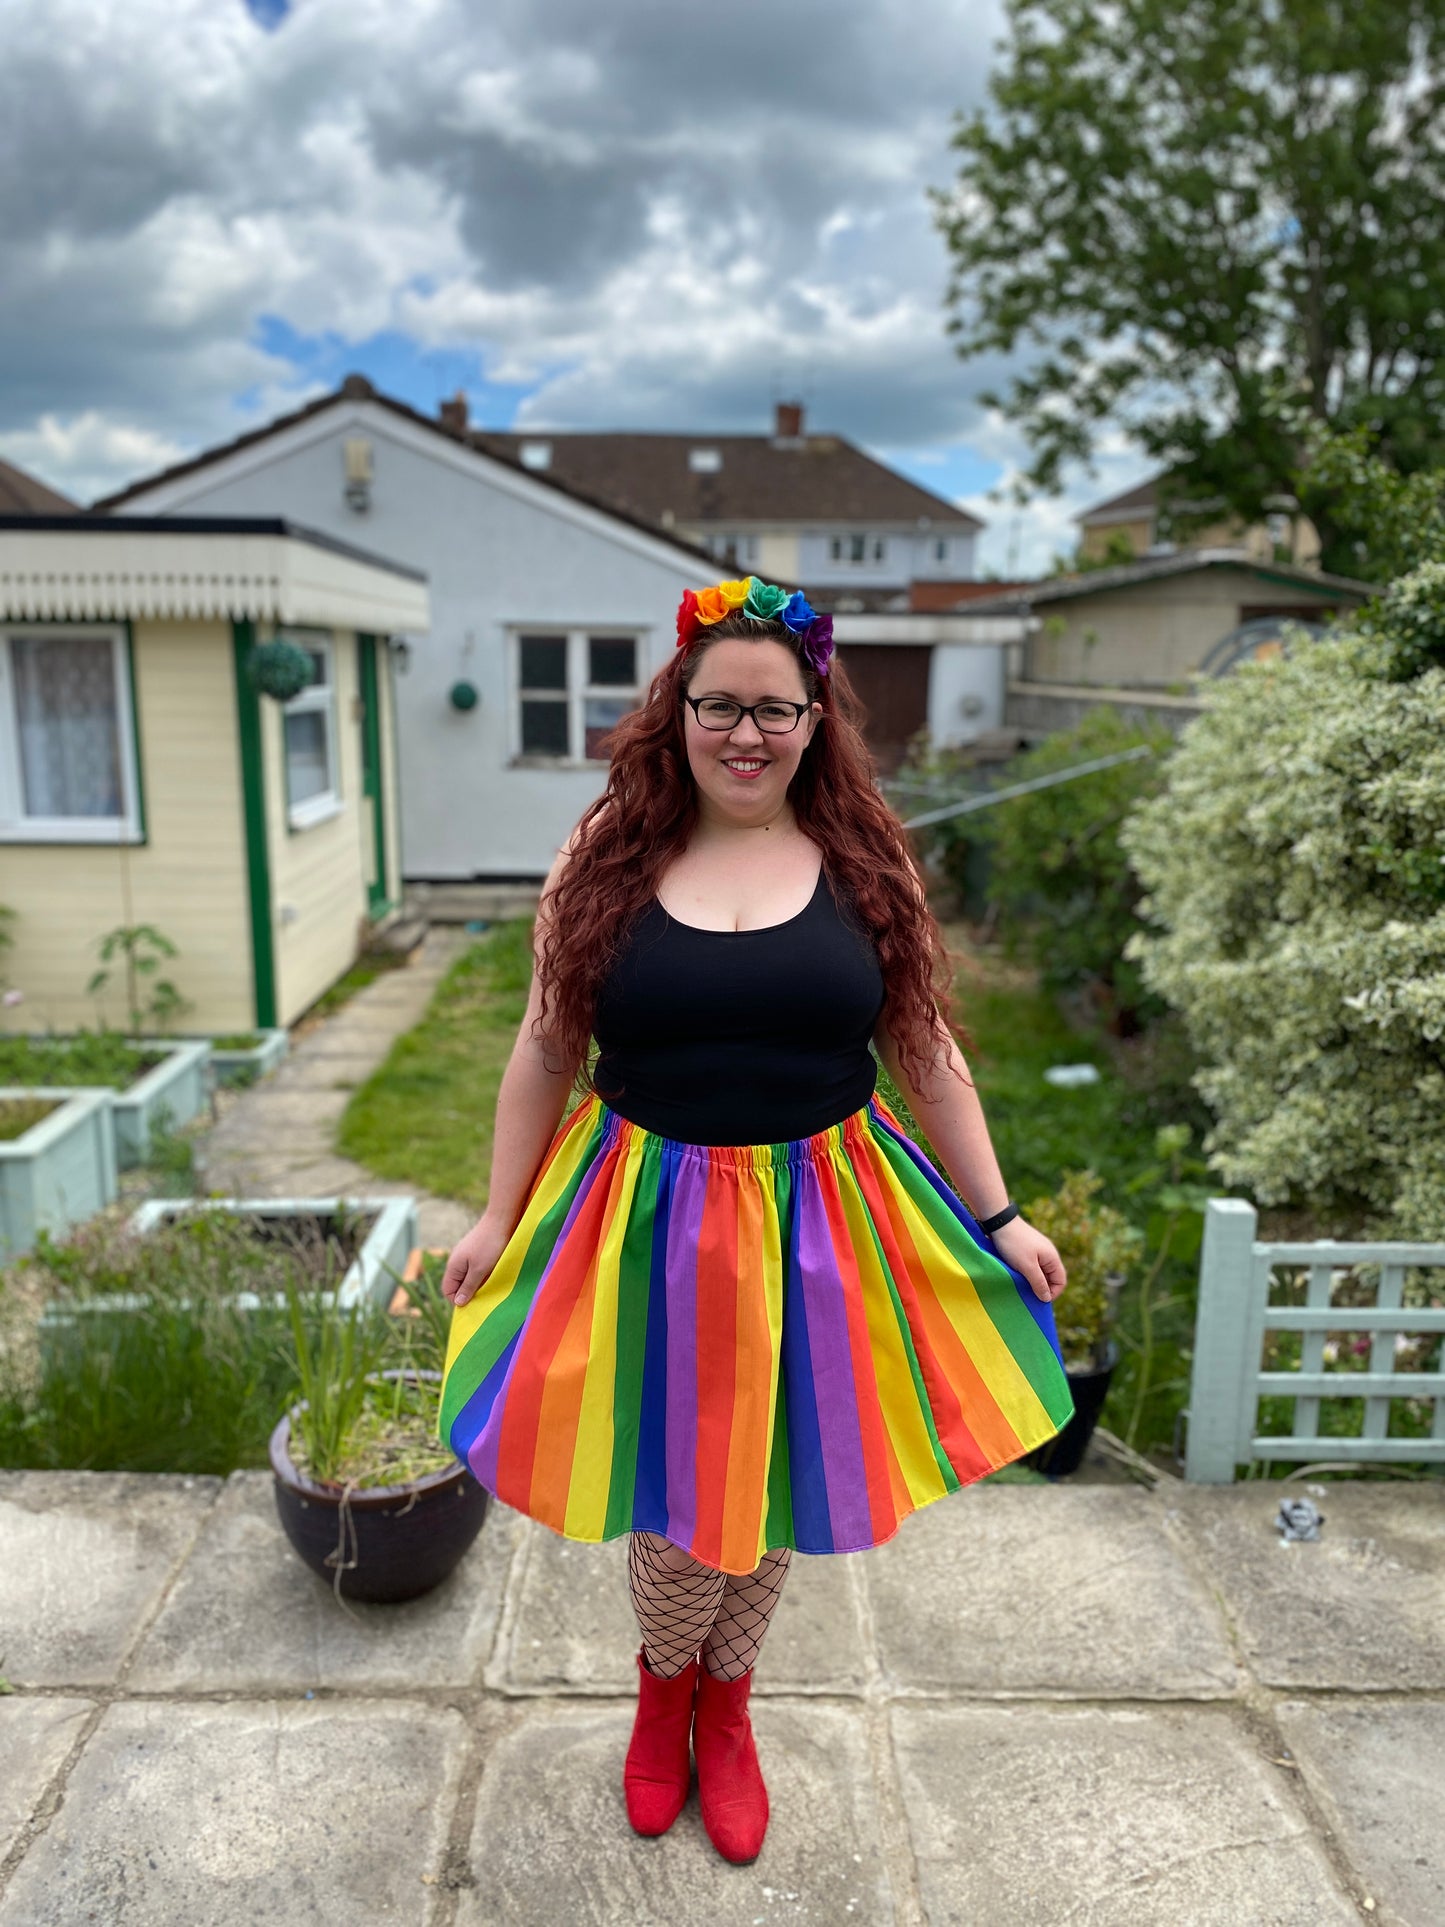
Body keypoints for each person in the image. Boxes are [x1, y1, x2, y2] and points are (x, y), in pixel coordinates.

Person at [439, 575, 1073, 1865]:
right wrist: (496, 1217)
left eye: (775, 711)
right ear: (676, 710)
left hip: (824, 1221)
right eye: (718, 704)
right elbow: (545, 1044)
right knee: (681, 1491)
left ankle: (727, 1708)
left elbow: (923, 1042)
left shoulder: (864, 854)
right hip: (641, 1218)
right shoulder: (602, 853)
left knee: (776, 1475)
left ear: (815, 720)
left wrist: (999, 1214)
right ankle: (662, 1688)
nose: (746, 733)